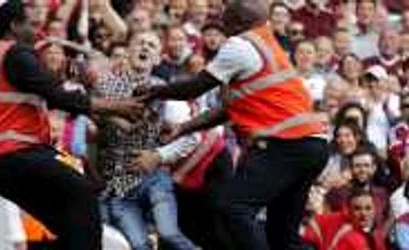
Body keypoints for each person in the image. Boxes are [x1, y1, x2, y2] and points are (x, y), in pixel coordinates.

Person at [134, 1, 328, 249]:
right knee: (283, 236)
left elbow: (196, 87)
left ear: (236, 23)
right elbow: (228, 110)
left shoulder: (240, 45)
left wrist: (154, 91)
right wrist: (184, 128)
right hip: (312, 145)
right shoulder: (266, 44)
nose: (222, 28)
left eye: (225, 21)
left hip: (285, 144)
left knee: (234, 209)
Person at [0, 1, 145, 249]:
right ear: (14, 26)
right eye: (32, 24)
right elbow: (59, 97)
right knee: (84, 192)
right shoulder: (17, 54)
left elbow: (43, 94)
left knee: (69, 224)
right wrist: (120, 106)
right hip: (11, 154)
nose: (39, 30)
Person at [95, 31, 199, 250]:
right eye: (140, 43)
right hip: (119, 184)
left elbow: (190, 135)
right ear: (128, 51)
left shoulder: (166, 91)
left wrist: (159, 153)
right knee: (140, 245)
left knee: (169, 234)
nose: (144, 47)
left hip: (153, 176)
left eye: (151, 45)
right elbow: (96, 118)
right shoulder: (103, 86)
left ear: (158, 58)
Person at [302, 189, 387, 250]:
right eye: (357, 208)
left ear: (374, 210)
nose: (363, 213)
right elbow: (314, 222)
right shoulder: (349, 235)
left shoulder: (376, 234)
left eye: (368, 208)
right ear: (349, 210)